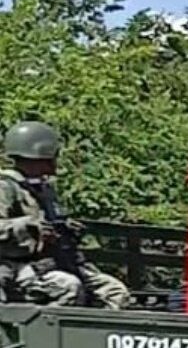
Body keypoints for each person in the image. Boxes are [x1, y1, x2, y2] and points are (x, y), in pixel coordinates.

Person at [0, 121, 129, 309]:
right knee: (68, 287)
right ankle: (44, 337)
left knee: (114, 292)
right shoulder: (6, 187)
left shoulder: (45, 190)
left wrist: (66, 227)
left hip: (56, 261)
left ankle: (91, 336)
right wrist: (31, 227)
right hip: (19, 267)